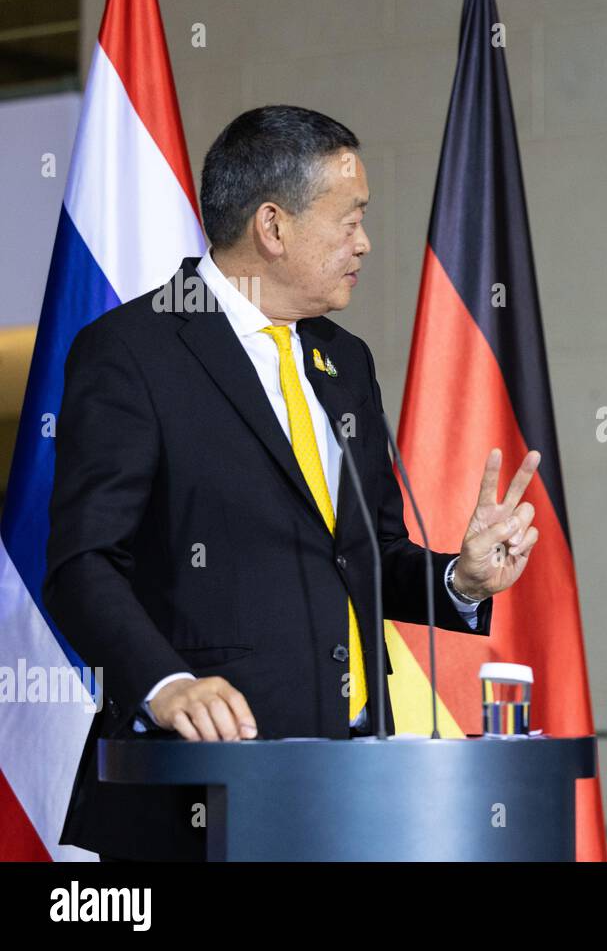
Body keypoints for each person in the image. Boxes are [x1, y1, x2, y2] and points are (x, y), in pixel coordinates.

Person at [44, 105, 540, 861]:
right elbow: (83, 563)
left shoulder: (347, 363)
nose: (365, 244)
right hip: (202, 783)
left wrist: (461, 581)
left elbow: (367, 556)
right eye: (350, 221)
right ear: (273, 228)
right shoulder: (133, 352)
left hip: (350, 778)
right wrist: (166, 684)